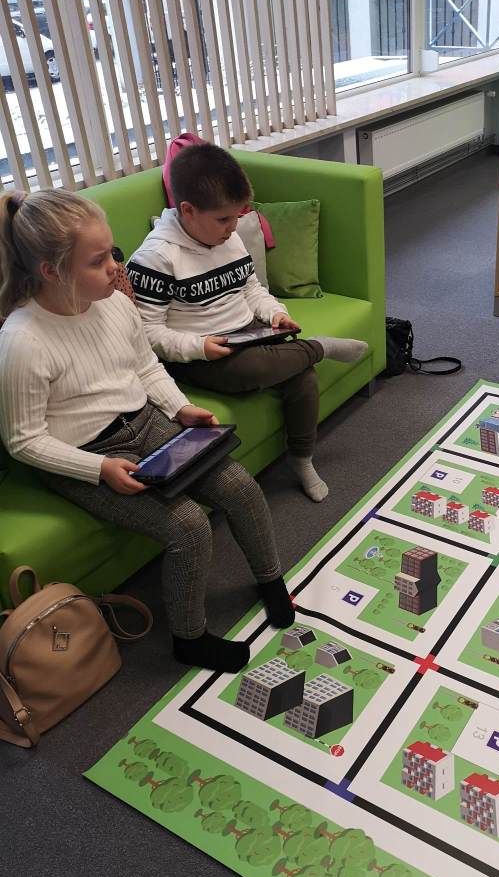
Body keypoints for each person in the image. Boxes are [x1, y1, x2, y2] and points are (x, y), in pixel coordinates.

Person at [0, 189, 296, 675]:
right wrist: (99, 469)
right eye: (98, 261)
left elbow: (145, 367)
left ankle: (269, 579)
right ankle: (189, 638)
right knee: (188, 526)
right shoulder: (23, 340)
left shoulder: (114, 305)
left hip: (146, 423)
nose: (116, 269)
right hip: (86, 455)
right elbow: (24, 440)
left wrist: (182, 408)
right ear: (52, 271)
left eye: (113, 253)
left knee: (240, 487)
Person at [127, 142, 369, 503]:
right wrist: (199, 347)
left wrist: (274, 314)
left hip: (248, 334)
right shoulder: (155, 259)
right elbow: (146, 334)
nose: (233, 227)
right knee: (254, 369)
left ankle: (302, 458)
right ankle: (320, 347)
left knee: (302, 377)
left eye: (237, 217)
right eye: (224, 219)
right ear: (188, 210)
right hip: (198, 353)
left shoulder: (229, 237)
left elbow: (251, 288)